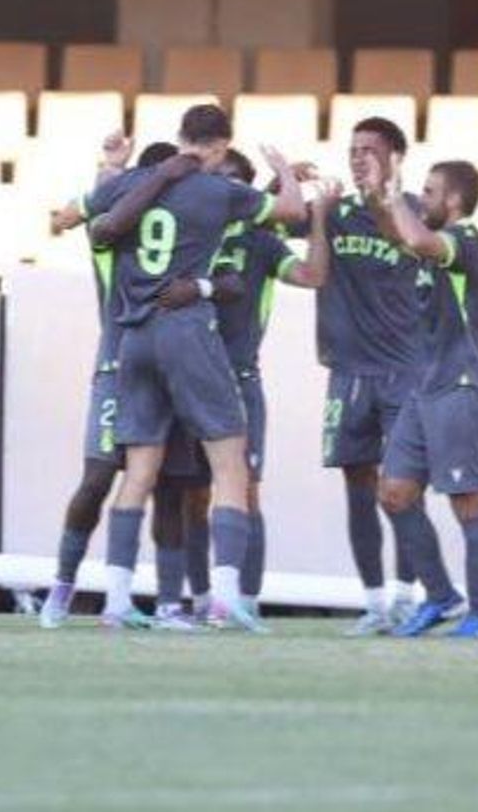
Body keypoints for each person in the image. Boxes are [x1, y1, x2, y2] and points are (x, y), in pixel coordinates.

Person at [84, 105, 307, 632]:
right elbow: (294, 212)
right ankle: (226, 596)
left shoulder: (140, 180)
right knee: (230, 461)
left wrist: (112, 166)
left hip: (133, 334)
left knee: (139, 469)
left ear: (180, 136)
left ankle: (116, 599)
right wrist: (287, 172)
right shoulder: (217, 191)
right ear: (222, 146)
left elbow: (97, 211)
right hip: (185, 329)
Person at [152, 148, 336, 630]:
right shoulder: (193, 237)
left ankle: (244, 600)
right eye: (219, 180)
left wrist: (314, 220)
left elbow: (313, 276)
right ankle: (200, 598)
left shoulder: (262, 242)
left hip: (239, 377)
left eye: (235, 183)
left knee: (245, 490)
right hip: (189, 372)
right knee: (190, 493)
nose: (224, 192)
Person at [37, 136, 179, 629]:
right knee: (98, 478)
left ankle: (164, 603)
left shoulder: (190, 235)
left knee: (168, 488)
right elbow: (82, 213)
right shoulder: (113, 235)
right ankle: (61, 586)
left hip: (172, 373)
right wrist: (108, 170)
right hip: (117, 368)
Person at [363, 158, 478, 640]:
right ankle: (441, 596)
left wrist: (397, 195)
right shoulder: (431, 246)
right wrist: (382, 196)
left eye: (429, 191)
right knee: (395, 493)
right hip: (426, 390)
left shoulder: (466, 243)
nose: (421, 199)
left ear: (454, 201)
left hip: (463, 387)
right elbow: (400, 234)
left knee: (467, 502)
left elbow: (417, 238)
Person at [316, 118, 429, 636]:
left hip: (405, 370)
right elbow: (281, 216)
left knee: (403, 486)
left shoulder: (418, 214)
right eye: (353, 149)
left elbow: (406, 241)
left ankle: (411, 596)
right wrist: (287, 182)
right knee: (357, 486)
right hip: (349, 370)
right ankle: (375, 602)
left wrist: (385, 199)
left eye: (370, 150)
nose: (358, 157)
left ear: (396, 157)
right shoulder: (335, 211)